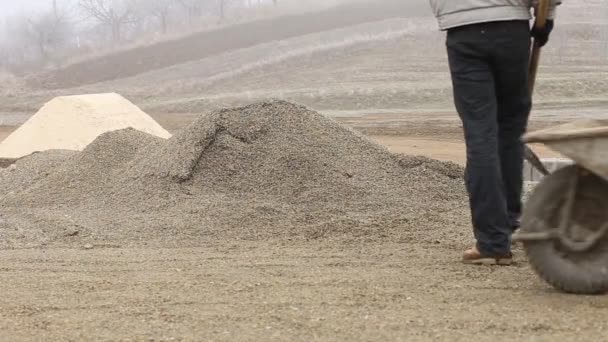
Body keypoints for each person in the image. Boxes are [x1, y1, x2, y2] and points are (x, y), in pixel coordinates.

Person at [428, 0, 561, 265]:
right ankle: (509, 224)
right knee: (510, 131)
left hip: (463, 32)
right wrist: (548, 19)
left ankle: (492, 241)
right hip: (511, 30)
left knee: (480, 135)